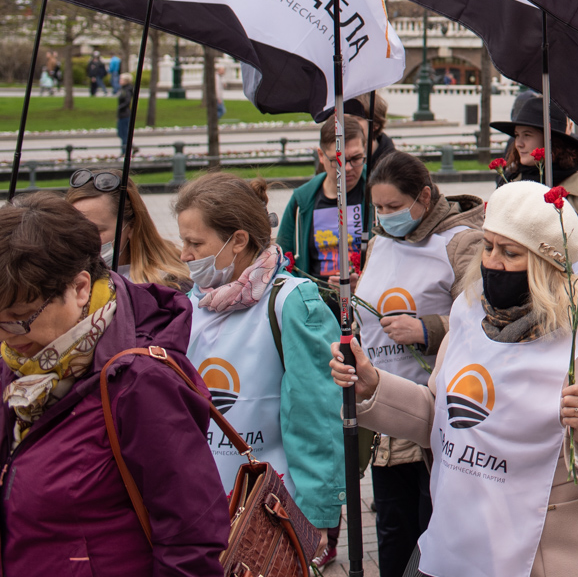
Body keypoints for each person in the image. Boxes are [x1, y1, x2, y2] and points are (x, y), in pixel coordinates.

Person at [333, 180, 578, 576]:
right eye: (488, 247)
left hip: (541, 554)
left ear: (544, 264)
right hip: (458, 540)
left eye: (510, 252)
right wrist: (375, 387)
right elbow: (443, 417)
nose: (493, 262)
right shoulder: (469, 312)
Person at [0, 194, 230, 574]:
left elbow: (193, 538)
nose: (7, 336)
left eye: (19, 318)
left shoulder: (141, 381)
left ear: (79, 288)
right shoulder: (22, 359)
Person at [177, 172, 345, 563]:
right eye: (183, 241)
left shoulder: (292, 303)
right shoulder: (192, 302)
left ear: (237, 240)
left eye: (195, 243)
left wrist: (316, 515)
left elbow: (317, 414)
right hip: (203, 499)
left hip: (270, 503)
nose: (184, 254)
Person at [358, 149, 486, 577]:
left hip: (434, 410)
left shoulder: (461, 241)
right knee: (392, 529)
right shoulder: (378, 242)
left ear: (425, 197)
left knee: (435, 527)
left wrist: (428, 328)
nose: (385, 215)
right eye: (378, 207)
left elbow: (487, 321)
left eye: (394, 207)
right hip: (383, 411)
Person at [278, 113, 370, 280]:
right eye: (338, 161)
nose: (348, 168)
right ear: (321, 156)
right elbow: (283, 261)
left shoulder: (377, 192)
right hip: (316, 300)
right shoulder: (302, 200)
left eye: (356, 158)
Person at [65, 169, 189, 290]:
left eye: (96, 231)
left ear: (131, 226)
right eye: (75, 230)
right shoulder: (59, 284)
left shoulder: (167, 288)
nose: (82, 240)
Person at [494, 96, 578, 224]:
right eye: (517, 135)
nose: (518, 144)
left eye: (527, 135)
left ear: (551, 141)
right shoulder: (511, 184)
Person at [346, 93, 397, 162]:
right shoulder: (334, 155)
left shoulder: (392, 165)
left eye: (356, 119)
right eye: (344, 119)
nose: (347, 123)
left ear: (375, 125)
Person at [115, 71, 135, 155]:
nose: (119, 80)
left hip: (125, 114)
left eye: (121, 79)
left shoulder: (126, 90)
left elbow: (127, 101)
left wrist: (120, 108)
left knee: (123, 133)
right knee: (121, 133)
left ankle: (125, 151)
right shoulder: (124, 89)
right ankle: (132, 147)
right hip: (123, 114)